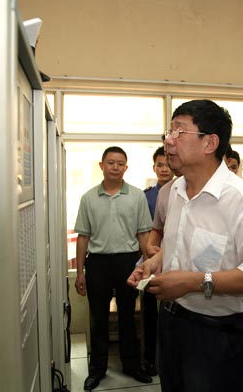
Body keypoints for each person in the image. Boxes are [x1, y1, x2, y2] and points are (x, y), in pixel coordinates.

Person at [128, 99, 243, 392]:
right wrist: (155, 263)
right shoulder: (176, 191)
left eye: (179, 132)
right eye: (168, 132)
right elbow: (181, 246)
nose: (169, 141)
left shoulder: (241, 200)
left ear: (210, 143)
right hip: (170, 323)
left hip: (214, 333)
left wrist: (193, 283)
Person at [74, 146, 153, 391]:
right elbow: (83, 237)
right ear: (102, 165)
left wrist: (147, 265)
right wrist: (79, 273)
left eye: (120, 163)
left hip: (128, 262)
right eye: (111, 163)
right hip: (97, 263)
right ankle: (97, 369)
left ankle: (132, 365)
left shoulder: (137, 196)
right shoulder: (88, 198)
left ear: (126, 168)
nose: (115, 167)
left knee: (128, 316)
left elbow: (144, 234)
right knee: (98, 318)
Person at [141, 146, 173, 376]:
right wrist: (149, 258)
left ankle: (166, 359)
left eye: (167, 164)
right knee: (150, 314)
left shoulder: (183, 190)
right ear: (154, 168)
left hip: (174, 265)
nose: (165, 169)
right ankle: (151, 358)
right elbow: (146, 231)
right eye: (160, 165)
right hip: (150, 261)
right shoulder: (146, 196)